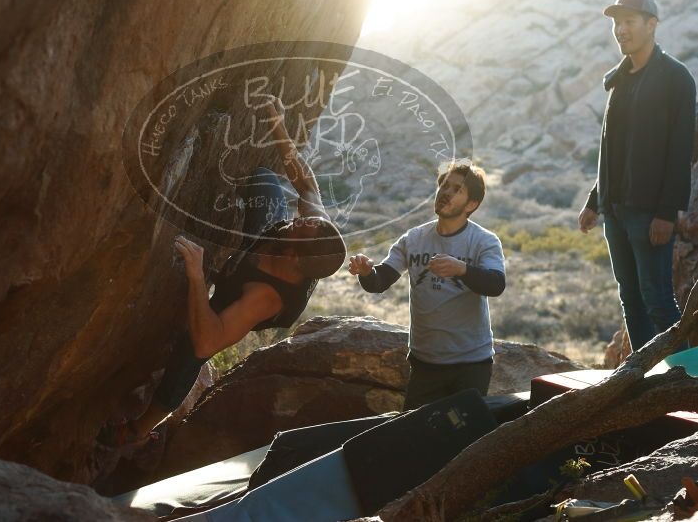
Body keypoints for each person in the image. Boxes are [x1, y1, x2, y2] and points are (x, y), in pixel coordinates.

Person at [101, 97, 346, 445]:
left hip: (242, 289)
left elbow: (207, 339)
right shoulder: (316, 233)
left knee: (192, 348)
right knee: (265, 180)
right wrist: (277, 123)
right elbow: (306, 184)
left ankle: (139, 430)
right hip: (259, 248)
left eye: (301, 226)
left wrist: (198, 275)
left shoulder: (264, 297)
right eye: (309, 220)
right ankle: (240, 248)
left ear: (292, 254)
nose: (303, 218)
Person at [578, 0, 696, 351]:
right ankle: (641, 381)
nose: (621, 30)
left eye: (629, 21)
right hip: (615, 210)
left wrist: (666, 212)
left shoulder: (676, 78)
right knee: (630, 298)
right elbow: (610, 147)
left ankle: (684, 382)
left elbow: (681, 151)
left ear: (651, 24)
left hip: (650, 214)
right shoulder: (620, 80)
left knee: (658, 299)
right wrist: (594, 201)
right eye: (617, 23)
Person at [349, 159, 505, 410]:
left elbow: (496, 284)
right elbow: (380, 282)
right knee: (417, 437)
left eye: (457, 190)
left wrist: (461, 268)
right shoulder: (414, 238)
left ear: (472, 204)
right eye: (445, 184)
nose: (446, 192)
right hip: (425, 362)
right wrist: (366, 272)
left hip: (471, 364)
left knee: (462, 438)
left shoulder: (483, 241)